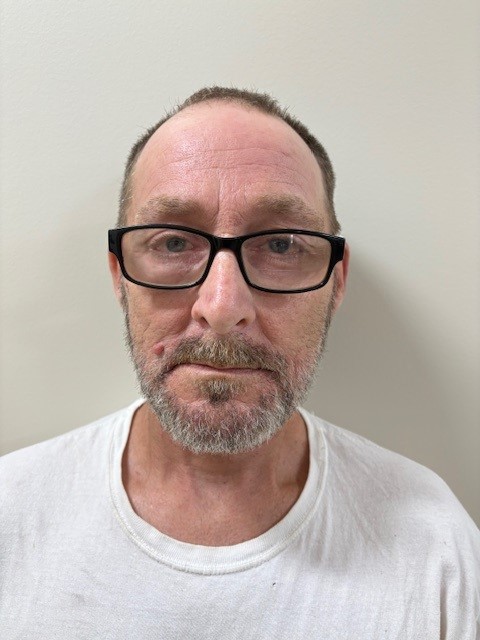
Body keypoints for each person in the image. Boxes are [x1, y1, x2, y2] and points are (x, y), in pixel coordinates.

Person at [1, 87, 479, 639]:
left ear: (336, 281)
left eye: (281, 246)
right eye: (174, 243)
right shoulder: (13, 515)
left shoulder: (434, 550)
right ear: (118, 276)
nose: (223, 307)